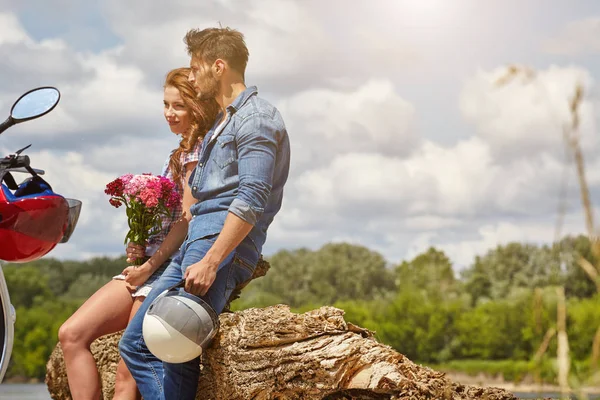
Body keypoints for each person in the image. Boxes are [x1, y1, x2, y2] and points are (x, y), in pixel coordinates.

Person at [119, 26, 291, 400]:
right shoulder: (223, 121)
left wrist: (213, 260)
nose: (191, 76)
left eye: (195, 68)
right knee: (136, 344)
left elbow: (252, 196)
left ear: (218, 66)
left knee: (174, 347)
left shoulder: (256, 118)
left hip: (217, 246)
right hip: (196, 244)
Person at [58, 67, 218, 400]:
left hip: (168, 269)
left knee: (126, 375)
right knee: (71, 334)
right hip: (148, 264)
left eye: (178, 106)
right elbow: (170, 217)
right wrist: (140, 242)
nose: (169, 113)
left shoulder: (198, 152)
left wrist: (149, 266)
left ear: (197, 108)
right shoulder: (177, 152)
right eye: (166, 104)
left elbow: (186, 221)